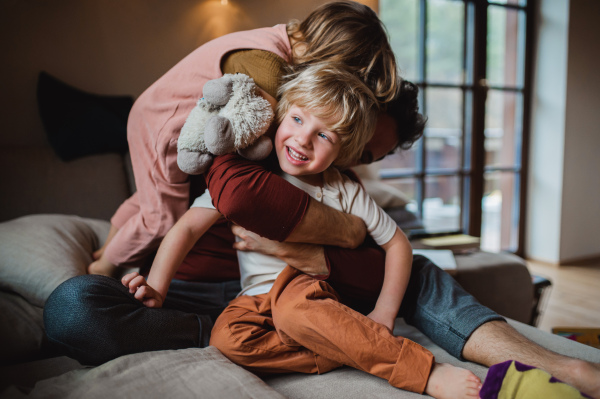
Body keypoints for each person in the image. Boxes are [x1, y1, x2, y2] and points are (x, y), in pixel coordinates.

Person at [120, 64, 481, 398]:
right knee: (227, 340)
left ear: (344, 151)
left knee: (295, 313)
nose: (304, 139)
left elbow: (398, 245)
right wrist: (157, 286)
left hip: (304, 288)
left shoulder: (344, 188)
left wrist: (385, 312)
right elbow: (185, 230)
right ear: (279, 115)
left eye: (324, 134)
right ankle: (352, 347)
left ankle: (423, 371)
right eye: (297, 118)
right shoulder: (254, 174)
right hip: (254, 297)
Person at [87, 0, 398, 276]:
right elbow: (268, 126)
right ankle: (105, 266)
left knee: (150, 195)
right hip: (165, 128)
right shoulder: (268, 66)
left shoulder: (275, 38)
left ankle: (107, 246)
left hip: (152, 113)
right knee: (162, 217)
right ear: (331, 58)